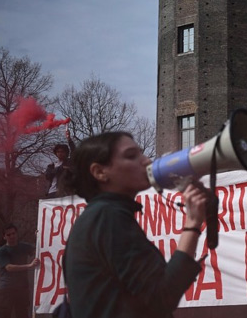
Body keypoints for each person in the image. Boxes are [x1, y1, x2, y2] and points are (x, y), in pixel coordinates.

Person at [60, 131, 209, 318]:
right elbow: (161, 297)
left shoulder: (101, 215)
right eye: (131, 156)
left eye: (141, 153)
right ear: (99, 172)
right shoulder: (107, 217)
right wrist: (193, 224)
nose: (146, 160)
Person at [0, 223, 40, 318]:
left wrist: (39, 237)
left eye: (13, 233)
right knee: (3, 315)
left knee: (22, 314)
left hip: (22, 288)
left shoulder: (24, 246)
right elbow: (9, 267)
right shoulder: (2, 251)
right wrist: (29, 266)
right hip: (7, 288)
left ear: (17, 233)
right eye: (8, 234)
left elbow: (39, 250)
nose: (12, 236)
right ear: (4, 237)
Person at [44, 130, 76, 197]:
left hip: (65, 192)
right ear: (56, 153)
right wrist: (60, 168)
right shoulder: (51, 166)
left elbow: (75, 152)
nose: (60, 153)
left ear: (66, 153)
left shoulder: (68, 163)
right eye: (58, 152)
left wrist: (69, 139)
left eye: (62, 152)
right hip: (52, 193)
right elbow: (47, 176)